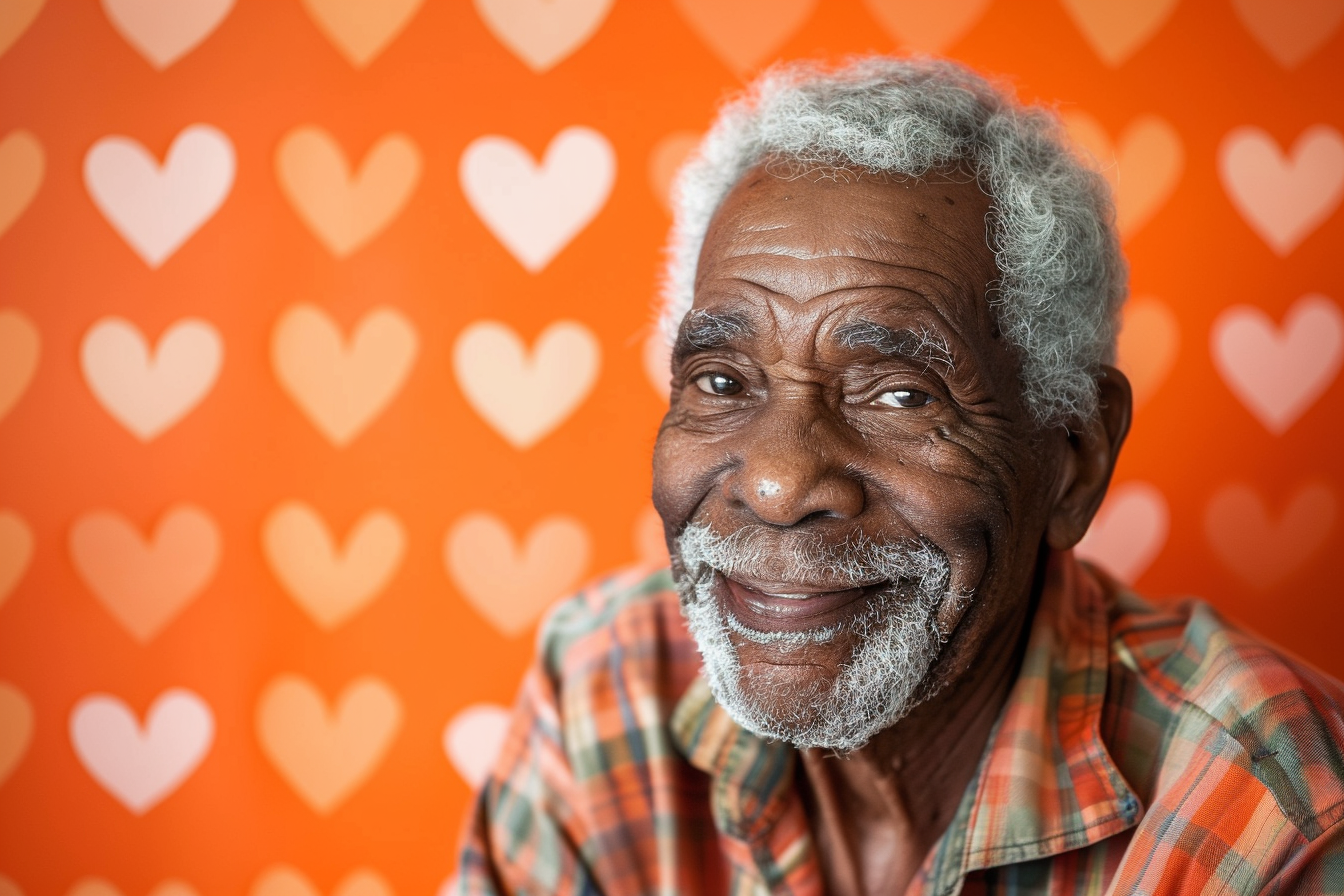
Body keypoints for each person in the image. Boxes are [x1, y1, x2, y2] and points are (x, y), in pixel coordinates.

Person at [453, 57, 1344, 895]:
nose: (779, 483)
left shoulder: (1271, 807)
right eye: (722, 382)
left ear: (1073, 459)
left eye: (900, 395)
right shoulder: (604, 690)